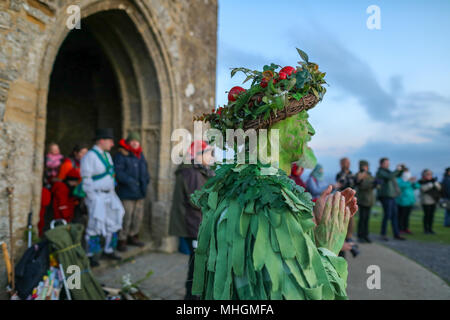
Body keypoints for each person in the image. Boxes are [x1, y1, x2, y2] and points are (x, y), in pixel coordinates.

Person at [190, 52, 358, 300]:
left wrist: (310, 229)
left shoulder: (242, 190)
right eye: (303, 118)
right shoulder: (267, 203)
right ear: (273, 127)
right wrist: (329, 247)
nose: (310, 130)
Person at [168, 140, 215, 300]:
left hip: (196, 223)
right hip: (193, 224)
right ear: (198, 155)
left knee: (197, 263)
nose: (211, 157)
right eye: (208, 153)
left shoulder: (198, 170)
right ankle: (192, 298)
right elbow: (197, 200)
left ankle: (194, 296)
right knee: (197, 265)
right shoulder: (192, 173)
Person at [80, 128, 125, 267]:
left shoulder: (107, 155)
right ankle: (91, 254)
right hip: (96, 196)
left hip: (109, 194)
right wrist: (92, 198)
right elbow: (86, 179)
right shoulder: (89, 157)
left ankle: (109, 249)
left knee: (114, 220)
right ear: (101, 141)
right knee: (95, 225)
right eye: (110, 141)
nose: (112, 144)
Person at [114, 132, 151, 252]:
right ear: (129, 142)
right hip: (127, 192)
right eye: (133, 141)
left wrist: (146, 180)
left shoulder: (140, 154)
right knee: (126, 217)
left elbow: (145, 170)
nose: (135, 143)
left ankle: (133, 236)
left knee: (137, 217)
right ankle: (122, 240)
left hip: (140, 192)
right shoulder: (122, 155)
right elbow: (118, 173)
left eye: (137, 141)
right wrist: (131, 182)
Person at [376, 158, 405, 241]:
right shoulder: (380, 172)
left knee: (395, 216)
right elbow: (389, 177)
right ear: (381, 164)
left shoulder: (388, 171)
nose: (388, 164)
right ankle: (383, 234)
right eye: (386, 163)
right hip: (386, 196)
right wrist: (397, 170)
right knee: (387, 215)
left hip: (392, 196)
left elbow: (396, 175)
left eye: (388, 163)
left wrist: (401, 170)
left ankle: (396, 234)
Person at [336, 157, 357, 247]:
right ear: (341, 164)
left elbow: (355, 183)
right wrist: (345, 173)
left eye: (348, 163)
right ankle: (342, 235)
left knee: (351, 217)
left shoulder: (352, 174)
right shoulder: (339, 174)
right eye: (345, 163)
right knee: (342, 217)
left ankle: (349, 236)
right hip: (343, 198)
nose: (347, 164)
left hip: (352, 197)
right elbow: (341, 183)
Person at [355, 160, 377, 243]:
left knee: (367, 218)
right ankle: (360, 235)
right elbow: (361, 186)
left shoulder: (369, 175)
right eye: (364, 166)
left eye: (366, 166)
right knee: (362, 218)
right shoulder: (359, 175)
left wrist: (376, 184)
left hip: (369, 199)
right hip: (363, 199)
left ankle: (366, 235)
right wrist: (372, 184)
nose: (365, 168)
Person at [395, 165, 419, 234]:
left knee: (407, 216)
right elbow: (401, 186)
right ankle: (400, 228)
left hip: (410, 200)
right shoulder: (399, 179)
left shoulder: (409, 180)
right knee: (401, 216)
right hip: (402, 201)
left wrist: (414, 182)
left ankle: (406, 228)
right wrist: (409, 181)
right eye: (405, 172)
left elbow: (417, 186)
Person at [419, 169, 441, 234]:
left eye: (430, 174)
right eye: (428, 174)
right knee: (427, 215)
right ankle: (426, 229)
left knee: (431, 216)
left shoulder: (433, 181)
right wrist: (431, 184)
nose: (429, 176)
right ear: (424, 175)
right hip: (426, 201)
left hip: (433, 200)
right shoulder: (421, 182)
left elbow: (439, 188)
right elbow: (423, 189)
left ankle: (430, 229)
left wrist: (434, 183)